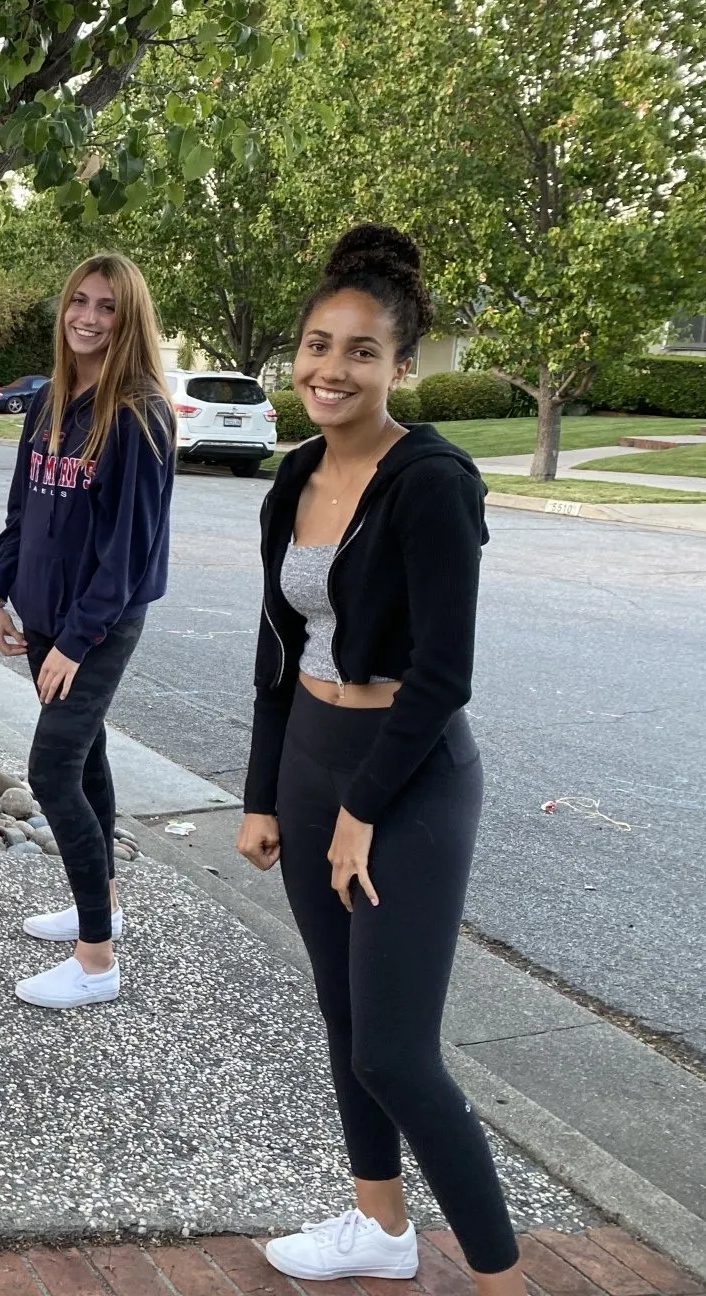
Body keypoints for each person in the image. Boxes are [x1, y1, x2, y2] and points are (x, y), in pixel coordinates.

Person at [237, 225, 520, 1288]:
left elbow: (444, 674)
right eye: (319, 345)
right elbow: (277, 649)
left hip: (407, 777)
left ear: (399, 367)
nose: (333, 369)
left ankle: (500, 1277)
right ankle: (381, 1229)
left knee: (396, 1053)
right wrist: (263, 795)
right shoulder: (295, 475)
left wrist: (361, 810)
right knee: (345, 1013)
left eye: (363, 351)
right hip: (310, 758)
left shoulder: (432, 482)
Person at [0, 253, 174, 1010]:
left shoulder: (140, 414)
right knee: (87, 756)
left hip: (97, 623)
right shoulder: (49, 401)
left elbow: (128, 551)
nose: (89, 318)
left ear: (130, 321)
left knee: (54, 769)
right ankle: (105, 902)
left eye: (108, 307)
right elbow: (22, 510)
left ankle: (96, 960)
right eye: (80, 301)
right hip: (42, 613)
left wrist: (74, 642)